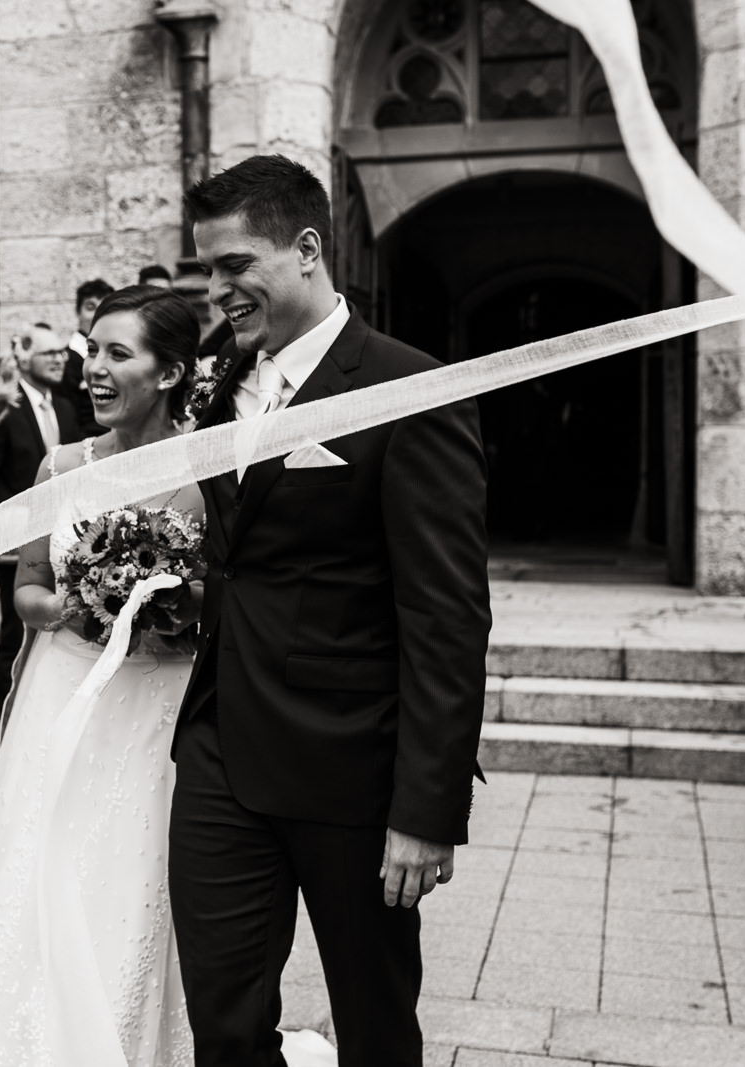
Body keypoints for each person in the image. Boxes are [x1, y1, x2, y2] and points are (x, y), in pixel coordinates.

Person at [171, 155, 491, 1067]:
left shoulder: (410, 390)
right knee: (224, 1025)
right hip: (220, 751)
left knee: (374, 1023)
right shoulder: (223, 384)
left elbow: (446, 616)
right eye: (207, 269)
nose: (217, 290)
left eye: (235, 265)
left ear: (307, 249)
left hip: (351, 765)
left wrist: (427, 807)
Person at [0, 286, 209, 1063]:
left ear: (170, 372)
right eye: (92, 350)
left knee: (127, 885)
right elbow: (26, 584)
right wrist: (63, 606)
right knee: (35, 880)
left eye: (118, 353)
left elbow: (224, 597)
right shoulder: (61, 464)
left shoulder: (209, 467)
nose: (93, 367)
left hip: (153, 705)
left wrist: (164, 608)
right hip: (61, 695)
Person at [0, 325, 81, 710]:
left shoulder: (66, 407)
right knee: (14, 632)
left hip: (64, 541)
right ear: (23, 358)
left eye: (61, 352)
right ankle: (8, 712)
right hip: (14, 541)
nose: (59, 359)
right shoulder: (4, 409)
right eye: (49, 353)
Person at [65, 278, 112, 437]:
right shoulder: (66, 360)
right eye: (90, 307)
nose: (97, 315)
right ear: (78, 312)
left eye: (104, 308)